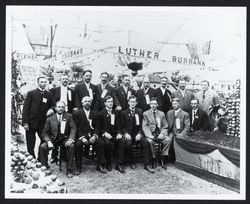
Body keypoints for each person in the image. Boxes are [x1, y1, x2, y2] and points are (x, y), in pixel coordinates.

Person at [39, 101, 76, 178]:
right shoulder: (49, 119)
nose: (61, 108)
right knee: (43, 147)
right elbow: (44, 132)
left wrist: (71, 139)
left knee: (71, 146)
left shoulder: (69, 116)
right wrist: (48, 141)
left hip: (65, 139)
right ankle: (45, 166)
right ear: (55, 108)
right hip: (53, 139)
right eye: (59, 107)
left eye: (62, 107)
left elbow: (73, 129)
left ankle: (69, 169)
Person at [22, 76, 55, 158]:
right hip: (31, 122)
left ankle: (41, 158)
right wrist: (25, 123)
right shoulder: (31, 93)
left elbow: (54, 105)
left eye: (44, 82)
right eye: (41, 82)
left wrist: (51, 109)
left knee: (44, 140)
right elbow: (25, 108)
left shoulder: (49, 94)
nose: (43, 83)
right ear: (38, 83)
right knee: (30, 142)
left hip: (43, 123)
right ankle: (31, 158)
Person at [120, 95, 153, 172]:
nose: (132, 103)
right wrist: (126, 134)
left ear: (136, 103)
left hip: (137, 134)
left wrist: (140, 134)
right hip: (129, 135)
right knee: (128, 144)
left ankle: (146, 164)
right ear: (128, 102)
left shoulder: (140, 111)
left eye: (134, 102)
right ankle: (132, 161)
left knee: (146, 143)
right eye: (131, 102)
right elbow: (122, 127)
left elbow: (143, 125)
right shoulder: (123, 113)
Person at [95, 96, 126, 173]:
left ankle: (119, 163)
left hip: (114, 134)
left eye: (112, 101)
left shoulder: (116, 113)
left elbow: (119, 125)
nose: (110, 103)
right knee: (107, 143)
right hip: (105, 135)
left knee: (122, 141)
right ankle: (108, 162)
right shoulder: (100, 114)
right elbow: (98, 128)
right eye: (108, 101)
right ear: (105, 103)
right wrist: (105, 133)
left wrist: (119, 133)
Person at [49, 74, 76, 163]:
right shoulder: (54, 90)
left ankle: (64, 155)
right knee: (56, 134)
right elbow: (52, 102)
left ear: (68, 81)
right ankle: (54, 156)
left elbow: (74, 102)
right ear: (60, 80)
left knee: (65, 134)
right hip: (58, 113)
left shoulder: (71, 91)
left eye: (66, 79)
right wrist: (53, 109)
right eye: (63, 79)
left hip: (67, 114)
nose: (65, 80)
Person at [72, 96, 101, 174]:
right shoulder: (77, 113)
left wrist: (94, 136)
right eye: (85, 101)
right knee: (78, 145)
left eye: (89, 101)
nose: (87, 103)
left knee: (101, 143)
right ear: (82, 103)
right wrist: (82, 138)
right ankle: (78, 167)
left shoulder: (95, 114)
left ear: (91, 103)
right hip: (81, 136)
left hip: (92, 136)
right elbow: (76, 127)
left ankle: (100, 165)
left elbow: (97, 128)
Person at [142, 97, 170, 170]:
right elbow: (145, 126)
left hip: (159, 133)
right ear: (149, 105)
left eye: (155, 104)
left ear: (157, 105)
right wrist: (149, 135)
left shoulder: (161, 114)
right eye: (152, 104)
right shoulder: (145, 114)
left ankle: (162, 159)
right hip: (151, 134)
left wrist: (162, 134)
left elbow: (165, 126)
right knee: (150, 142)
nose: (153, 105)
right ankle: (153, 159)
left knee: (168, 140)